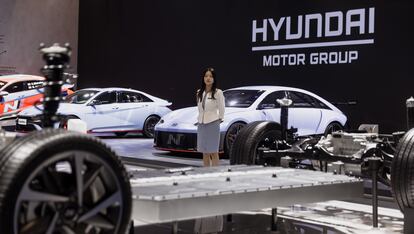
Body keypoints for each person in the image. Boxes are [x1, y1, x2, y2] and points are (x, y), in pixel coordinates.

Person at [196, 67, 225, 167]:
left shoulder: (218, 92)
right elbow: (200, 109)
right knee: (205, 152)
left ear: (214, 79)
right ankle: (206, 172)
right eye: (206, 76)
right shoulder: (199, 92)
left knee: (213, 151)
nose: (208, 78)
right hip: (201, 124)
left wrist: (219, 120)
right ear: (203, 78)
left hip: (213, 123)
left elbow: (222, 108)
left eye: (210, 76)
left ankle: (215, 174)